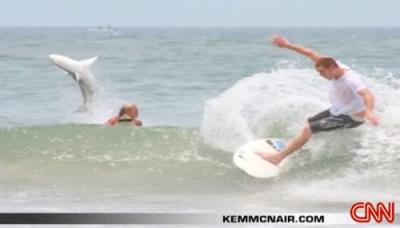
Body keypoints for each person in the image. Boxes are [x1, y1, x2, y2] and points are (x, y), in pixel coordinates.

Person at [256, 35, 379, 165]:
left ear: (332, 68)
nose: (321, 75)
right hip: (338, 110)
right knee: (309, 122)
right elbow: (310, 53)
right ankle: (299, 146)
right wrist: (287, 45)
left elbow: (367, 94)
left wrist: (369, 112)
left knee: (308, 129)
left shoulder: (351, 80)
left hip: (352, 117)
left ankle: (278, 157)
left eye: (322, 72)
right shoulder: (333, 65)